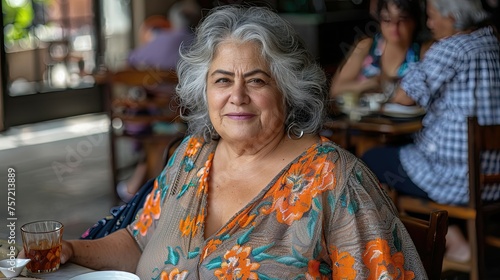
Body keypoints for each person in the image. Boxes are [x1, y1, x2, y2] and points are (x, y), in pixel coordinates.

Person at [27, 6, 426, 278]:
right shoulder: (191, 156)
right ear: (204, 92)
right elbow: (138, 240)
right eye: (222, 80)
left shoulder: (335, 180)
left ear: (287, 91)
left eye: (256, 80)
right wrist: (73, 250)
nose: (237, 96)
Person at [362, 0, 500, 263]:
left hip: (457, 181)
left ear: (452, 16)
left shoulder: (450, 48)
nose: (429, 23)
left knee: (370, 160)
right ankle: (456, 236)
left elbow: (403, 97)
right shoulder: (493, 42)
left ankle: (415, 250)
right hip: (493, 180)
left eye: (432, 16)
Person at [116, 0, 201, 202]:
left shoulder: (155, 43)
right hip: (183, 122)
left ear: (172, 21)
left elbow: (129, 67)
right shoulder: (200, 46)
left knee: (147, 108)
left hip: (149, 121)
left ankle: (140, 186)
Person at [330, 0, 430, 98]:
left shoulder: (423, 51)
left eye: (402, 19)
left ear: (414, 21)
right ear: (379, 21)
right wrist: (368, 84)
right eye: (387, 19)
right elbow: (335, 89)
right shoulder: (366, 46)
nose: (394, 26)